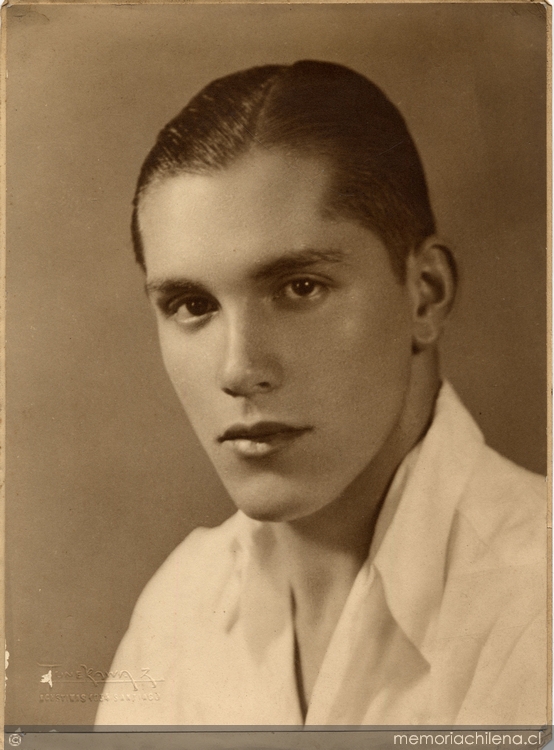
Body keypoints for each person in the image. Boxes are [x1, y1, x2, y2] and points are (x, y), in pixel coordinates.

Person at [95, 60, 547, 726]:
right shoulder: (178, 608)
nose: (239, 367)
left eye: (299, 288)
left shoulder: (536, 604)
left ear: (425, 294)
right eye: (192, 303)